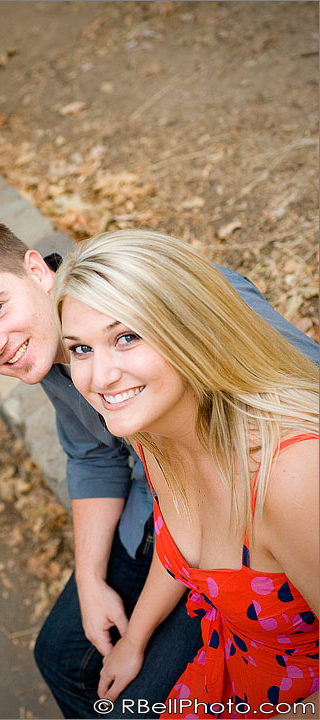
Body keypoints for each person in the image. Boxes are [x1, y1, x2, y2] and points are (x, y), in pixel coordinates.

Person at [0, 219, 319, 719]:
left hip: (250, 549)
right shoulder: (91, 384)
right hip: (173, 529)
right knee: (60, 657)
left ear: (36, 270)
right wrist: (89, 578)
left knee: (126, 707)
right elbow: (93, 455)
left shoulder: (162, 305)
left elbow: (297, 385)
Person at [53, 228, 319, 719]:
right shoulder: (152, 431)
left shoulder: (291, 478)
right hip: (231, 662)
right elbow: (178, 546)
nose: (100, 376)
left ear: (190, 328)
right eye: (81, 350)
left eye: (126, 337)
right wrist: (134, 638)